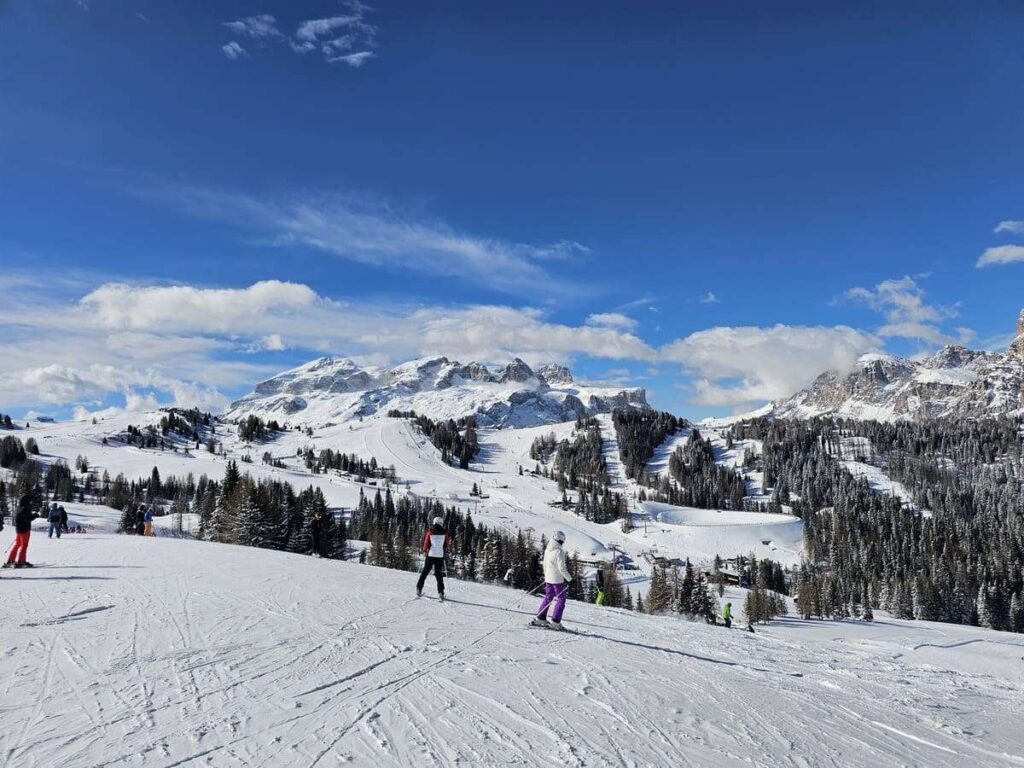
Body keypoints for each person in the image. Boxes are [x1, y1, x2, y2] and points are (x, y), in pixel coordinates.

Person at [531, 530, 572, 630]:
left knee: (548, 597)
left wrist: (547, 576)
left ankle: (541, 617)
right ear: (560, 541)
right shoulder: (559, 551)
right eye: (562, 541)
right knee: (561, 599)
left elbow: (544, 564)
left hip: (548, 578)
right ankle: (555, 621)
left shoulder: (547, 550)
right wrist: (569, 579)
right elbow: (562, 568)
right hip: (557, 579)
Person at [416, 515, 448, 600]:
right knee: (438, 574)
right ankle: (441, 592)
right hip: (439, 556)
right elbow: (446, 545)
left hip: (431, 554)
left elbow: (426, 543)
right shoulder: (445, 533)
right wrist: (444, 552)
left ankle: (419, 588)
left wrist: (424, 550)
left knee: (425, 572)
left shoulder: (430, 532)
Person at [4, 494, 38, 568]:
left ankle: (11, 560)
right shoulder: (25, 508)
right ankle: (21, 561)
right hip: (24, 530)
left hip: (19, 530)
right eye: (30, 501)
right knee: (24, 545)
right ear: (27, 501)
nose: (30, 503)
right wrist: (35, 515)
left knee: (17, 545)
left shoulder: (18, 508)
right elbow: (27, 519)